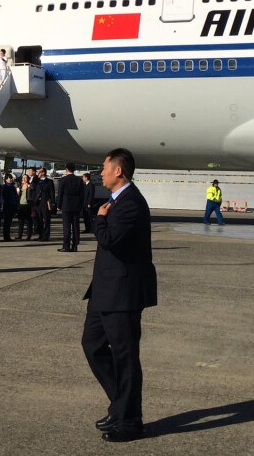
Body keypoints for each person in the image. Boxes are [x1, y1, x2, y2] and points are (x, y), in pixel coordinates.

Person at [81, 148, 157, 442]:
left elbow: (110, 239)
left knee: (125, 358)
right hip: (104, 291)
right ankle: (120, 404)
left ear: (118, 171)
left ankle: (130, 421)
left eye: (104, 167)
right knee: (92, 345)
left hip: (122, 293)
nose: (101, 172)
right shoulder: (117, 201)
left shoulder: (131, 204)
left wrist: (99, 219)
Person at [57, 163, 84, 252]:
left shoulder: (63, 180)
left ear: (66, 169)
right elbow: (82, 194)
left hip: (66, 205)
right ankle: (75, 245)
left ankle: (66, 246)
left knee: (67, 227)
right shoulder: (79, 180)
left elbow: (60, 194)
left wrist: (59, 205)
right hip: (76, 206)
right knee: (76, 227)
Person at [34, 167, 54, 241]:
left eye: (40, 172)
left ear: (44, 172)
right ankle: (40, 235)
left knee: (46, 219)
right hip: (38, 202)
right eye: (38, 172)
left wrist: (52, 202)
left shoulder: (49, 181)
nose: (39, 173)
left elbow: (52, 192)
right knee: (39, 219)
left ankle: (46, 235)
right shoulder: (37, 181)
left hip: (45, 202)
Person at [1, 173, 18, 241]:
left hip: (12, 206)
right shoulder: (4, 187)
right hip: (7, 206)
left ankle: (8, 236)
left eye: (11, 178)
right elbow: (2, 197)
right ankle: (6, 236)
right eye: (9, 178)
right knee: (6, 222)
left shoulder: (13, 187)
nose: (11, 179)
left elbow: (15, 196)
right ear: (6, 179)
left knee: (9, 222)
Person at [16, 173, 33, 240]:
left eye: (25, 177)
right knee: (20, 221)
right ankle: (19, 235)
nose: (24, 179)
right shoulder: (20, 186)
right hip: (20, 205)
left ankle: (29, 235)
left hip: (27, 205)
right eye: (23, 177)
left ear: (28, 179)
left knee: (28, 221)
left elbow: (32, 192)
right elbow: (17, 195)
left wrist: (28, 187)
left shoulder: (30, 186)